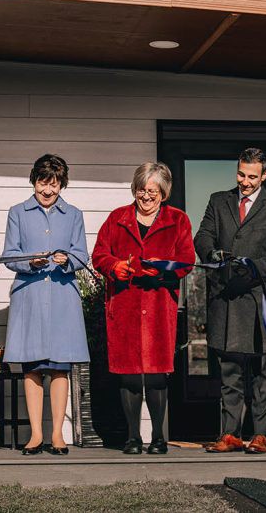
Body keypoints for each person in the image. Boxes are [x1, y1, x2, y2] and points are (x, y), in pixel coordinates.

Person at [91, 162, 194, 455]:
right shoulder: (117, 218)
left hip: (159, 304)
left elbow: (187, 259)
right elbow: (100, 255)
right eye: (141, 190)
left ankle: (159, 437)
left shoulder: (178, 220)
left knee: (158, 373)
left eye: (153, 191)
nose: (146, 196)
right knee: (129, 373)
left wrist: (164, 271)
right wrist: (116, 266)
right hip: (125, 304)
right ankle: (133, 437)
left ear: (163, 193)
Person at [194, 147, 266, 455]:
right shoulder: (217, 200)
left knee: (263, 372)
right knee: (229, 372)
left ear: (264, 175)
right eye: (241, 174)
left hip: (256, 297)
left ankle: (260, 434)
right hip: (225, 298)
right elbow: (203, 236)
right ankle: (230, 434)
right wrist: (212, 254)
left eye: (251, 176)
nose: (245, 181)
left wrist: (250, 268)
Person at [2, 154, 90, 455]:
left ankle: (57, 434)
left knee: (60, 368)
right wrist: (32, 261)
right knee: (33, 368)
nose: (48, 190)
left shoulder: (74, 215)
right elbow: (10, 255)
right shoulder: (17, 212)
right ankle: (36, 434)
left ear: (61, 185)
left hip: (63, 297)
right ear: (34, 181)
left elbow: (82, 255)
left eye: (53, 185)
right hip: (30, 297)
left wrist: (68, 261)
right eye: (43, 183)